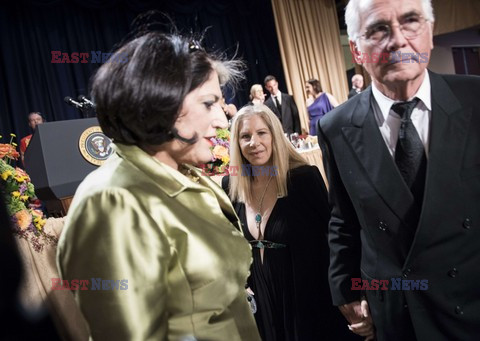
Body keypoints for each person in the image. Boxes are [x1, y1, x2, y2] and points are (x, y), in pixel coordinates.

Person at [57, 31, 261, 341]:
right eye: (209, 104)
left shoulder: (189, 177)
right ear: (160, 105)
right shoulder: (112, 201)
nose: (222, 120)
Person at [318, 0, 480, 340]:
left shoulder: (475, 98)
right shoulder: (336, 127)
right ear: (356, 50)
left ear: (430, 33)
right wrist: (346, 290)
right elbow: (343, 218)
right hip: (396, 312)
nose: (397, 40)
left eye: (410, 22)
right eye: (378, 29)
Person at [222, 104, 359, 340]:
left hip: (306, 299)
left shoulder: (303, 179)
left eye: (261, 133)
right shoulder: (231, 187)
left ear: (275, 134)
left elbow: (335, 240)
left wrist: (349, 292)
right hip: (261, 301)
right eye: (245, 136)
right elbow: (229, 245)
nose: (254, 142)